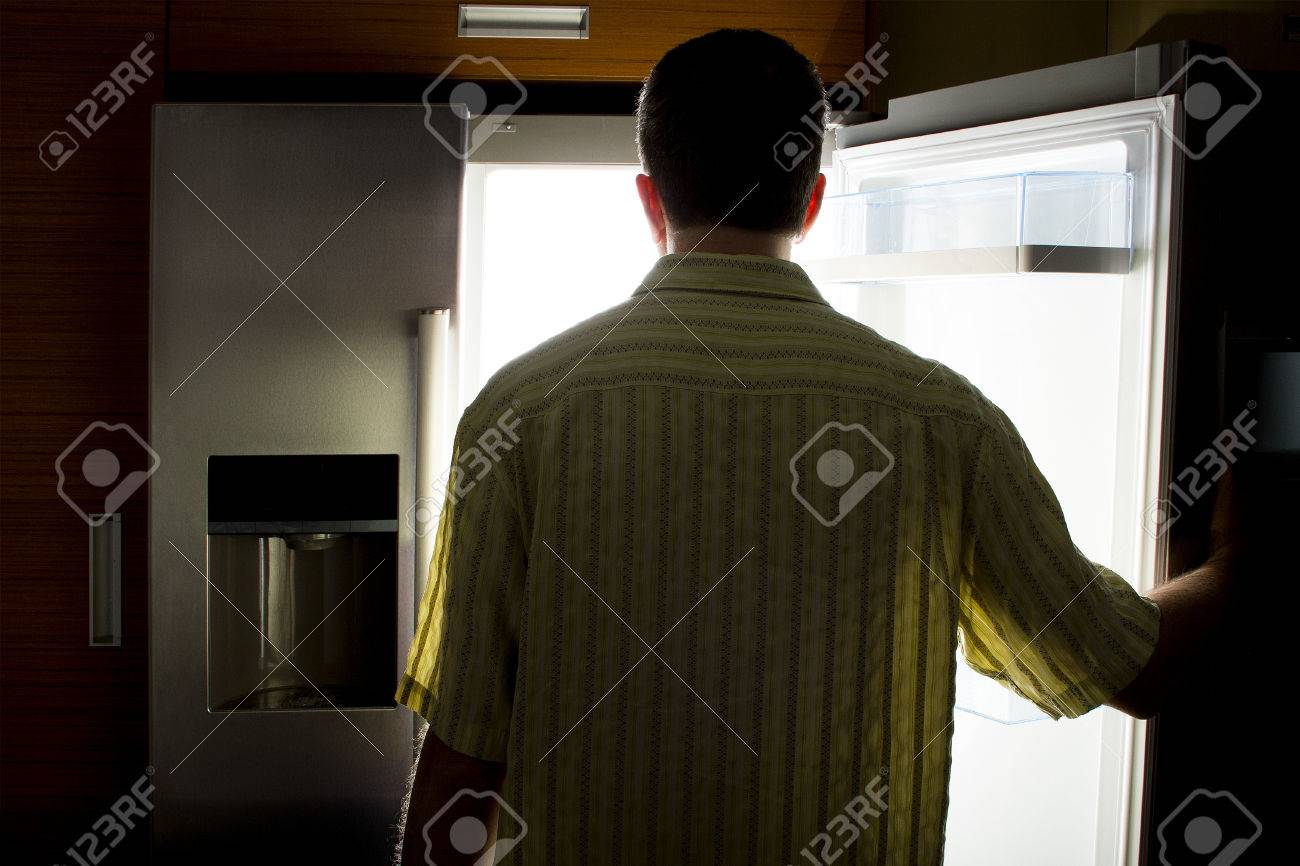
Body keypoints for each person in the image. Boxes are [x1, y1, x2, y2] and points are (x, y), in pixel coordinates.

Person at [396, 29, 1236, 865]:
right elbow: (1128, 666)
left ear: (650, 202)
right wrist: (1240, 559)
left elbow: (461, 768)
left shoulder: (522, 411)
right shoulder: (941, 420)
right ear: (813, 201)